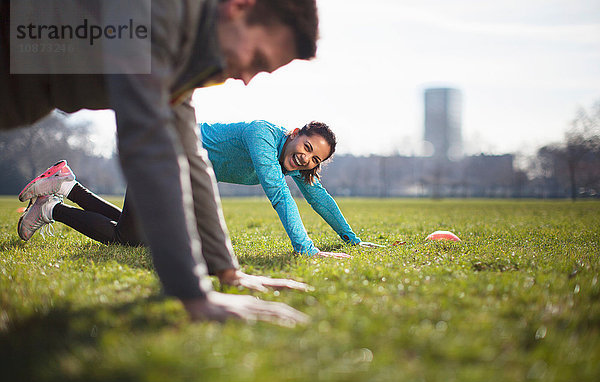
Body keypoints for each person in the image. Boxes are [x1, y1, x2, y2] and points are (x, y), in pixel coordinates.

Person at [1, 0, 319, 325]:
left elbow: (191, 156)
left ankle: (63, 189)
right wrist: (193, 292)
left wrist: (227, 271)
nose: (249, 78)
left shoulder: (190, 54)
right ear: (239, 7)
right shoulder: (158, 17)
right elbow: (148, 146)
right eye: (257, 59)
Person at [18, 121, 382, 258]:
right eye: (306, 147)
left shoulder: (292, 160)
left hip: (172, 167)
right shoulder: (263, 136)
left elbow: (319, 197)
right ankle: (53, 209)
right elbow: (278, 194)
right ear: (295, 134)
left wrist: (351, 239)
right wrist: (306, 249)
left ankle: (67, 184)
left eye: (315, 158)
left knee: (136, 232)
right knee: (129, 237)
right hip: (161, 151)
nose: (306, 159)